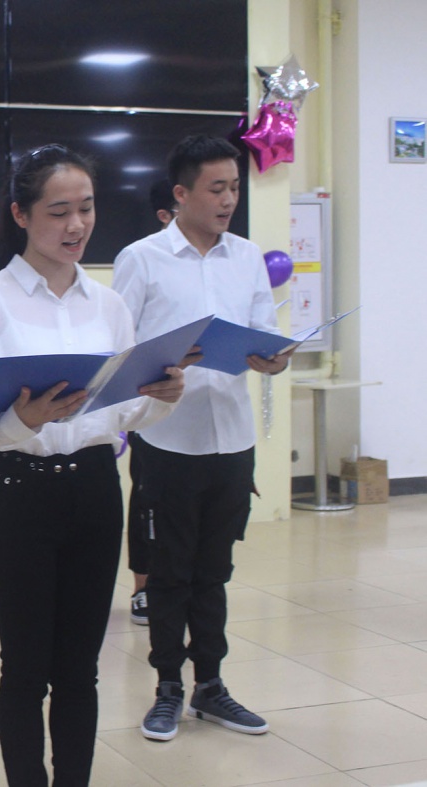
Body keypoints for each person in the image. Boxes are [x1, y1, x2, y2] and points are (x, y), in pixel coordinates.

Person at [0, 145, 185, 786]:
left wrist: (161, 397)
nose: (77, 225)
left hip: (95, 489)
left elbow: (124, 411)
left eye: (86, 208)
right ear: (21, 214)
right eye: (58, 212)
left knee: (81, 669)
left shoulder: (107, 306)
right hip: (20, 492)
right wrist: (21, 423)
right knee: (25, 667)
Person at [112, 135, 291, 743]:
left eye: (235, 188)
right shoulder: (142, 259)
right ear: (182, 194)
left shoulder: (247, 257)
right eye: (217, 189)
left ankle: (210, 686)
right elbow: (118, 348)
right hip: (167, 438)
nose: (229, 200)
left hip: (232, 438)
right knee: (169, 571)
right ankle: (167, 687)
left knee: (214, 570)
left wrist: (274, 359)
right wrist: (160, 366)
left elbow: (263, 333)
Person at [127, 178, 180, 626]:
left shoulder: (235, 257)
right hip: (151, 407)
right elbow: (122, 335)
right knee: (146, 502)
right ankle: (142, 588)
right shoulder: (142, 257)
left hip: (207, 412)